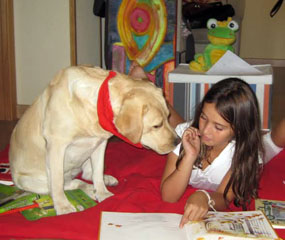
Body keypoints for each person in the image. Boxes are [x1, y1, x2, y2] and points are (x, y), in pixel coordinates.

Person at [160, 78, 285, 228]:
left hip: (248, 146)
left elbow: (223, 198)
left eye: (218, 127)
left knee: (272, 142)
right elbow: (168, 196)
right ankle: (151, 89)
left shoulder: (245, 153)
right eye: (203, 117)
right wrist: (189, 156)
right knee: (182, 126)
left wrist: (205, 197)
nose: (205, 130)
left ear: (238, 128)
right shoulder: (188, 133)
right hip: (188, 130)